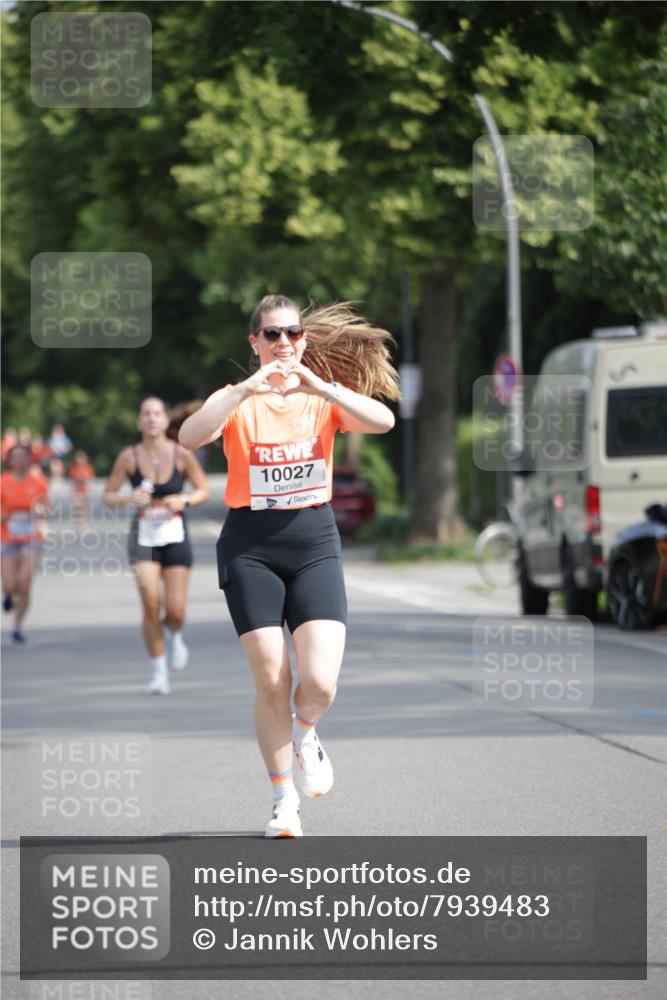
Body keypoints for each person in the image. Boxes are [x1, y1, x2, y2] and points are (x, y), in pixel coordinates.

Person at [179, 295, 399, 838]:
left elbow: (385, 420)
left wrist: (323, 386)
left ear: (303, 340)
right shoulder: (235, 399)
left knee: (319, 682)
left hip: (313, 542)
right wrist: (244, 389)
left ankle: (305, 731)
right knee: (273, 680)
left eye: (293, 333)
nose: (284, 343)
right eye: (272, 334)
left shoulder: (323, 398)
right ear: (254, 342)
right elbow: (188, 436)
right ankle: (283, 801)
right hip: (250, 547)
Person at [102, 397, 210, 694]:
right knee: (151, 605)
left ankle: (174, 635)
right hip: (143, 538)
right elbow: (107, 496)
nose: (151, 419)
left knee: (175, 611)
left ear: (165, 420)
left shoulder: (180, 454)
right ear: (139, 421)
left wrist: (185, 500)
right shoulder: (129, 457)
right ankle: (159, 672)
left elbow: (203, 490)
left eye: (156, 414)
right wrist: (129, 497)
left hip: (175, 535)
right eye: (146, 414)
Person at [1, 445, 49, 643]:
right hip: (7, 537)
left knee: (25, 582)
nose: (19, 461)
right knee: (9, 584)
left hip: (31, 537)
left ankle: (17, 626)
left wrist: (40, 512)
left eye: (23, 457)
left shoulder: (38, 483)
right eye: (16, 457)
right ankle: (8, 595)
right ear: (9, 461)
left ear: (29, 460)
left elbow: (48, 508)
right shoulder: (3, 482)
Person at [68, 450, 95, 520]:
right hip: (77, 490)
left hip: (85, 490)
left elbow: (89, 479)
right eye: (78, 458)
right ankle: (79, 519)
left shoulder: (88, 468)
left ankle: (85, 518)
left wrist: (88, 489)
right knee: (77, 504)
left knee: (84, 505)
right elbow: (72, 480)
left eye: (80, 458)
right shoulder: (73, 468)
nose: (78, 460)